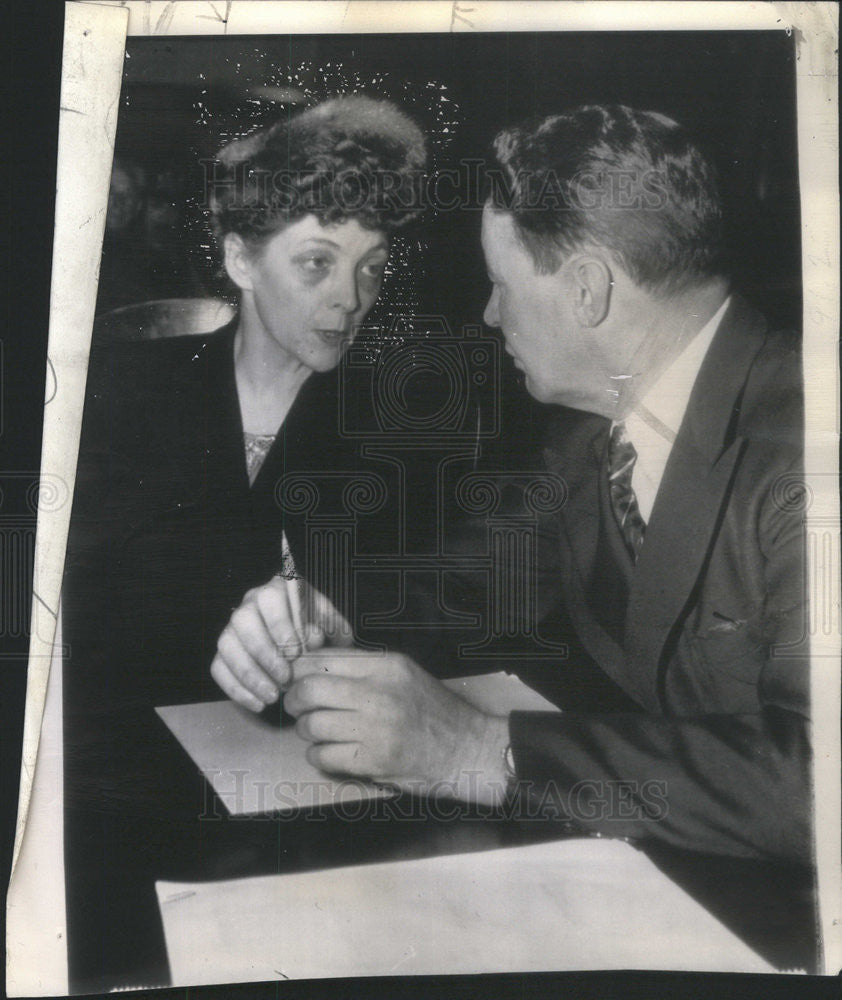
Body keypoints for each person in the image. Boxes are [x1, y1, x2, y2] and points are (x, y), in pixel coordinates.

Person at [211, 104, 810, 861]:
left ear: (588, 290)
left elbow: (819, 785)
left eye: (502, 284)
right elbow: (472, 584)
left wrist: (479, 751)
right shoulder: (594, 430)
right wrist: (326, 624)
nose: (491, 316)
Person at [63, 94, 427, 716]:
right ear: (240, 259)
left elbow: (423, 611)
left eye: (371, 269)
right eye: (318, 263)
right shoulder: (120, 391)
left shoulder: (397, 423)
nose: (349, 299)